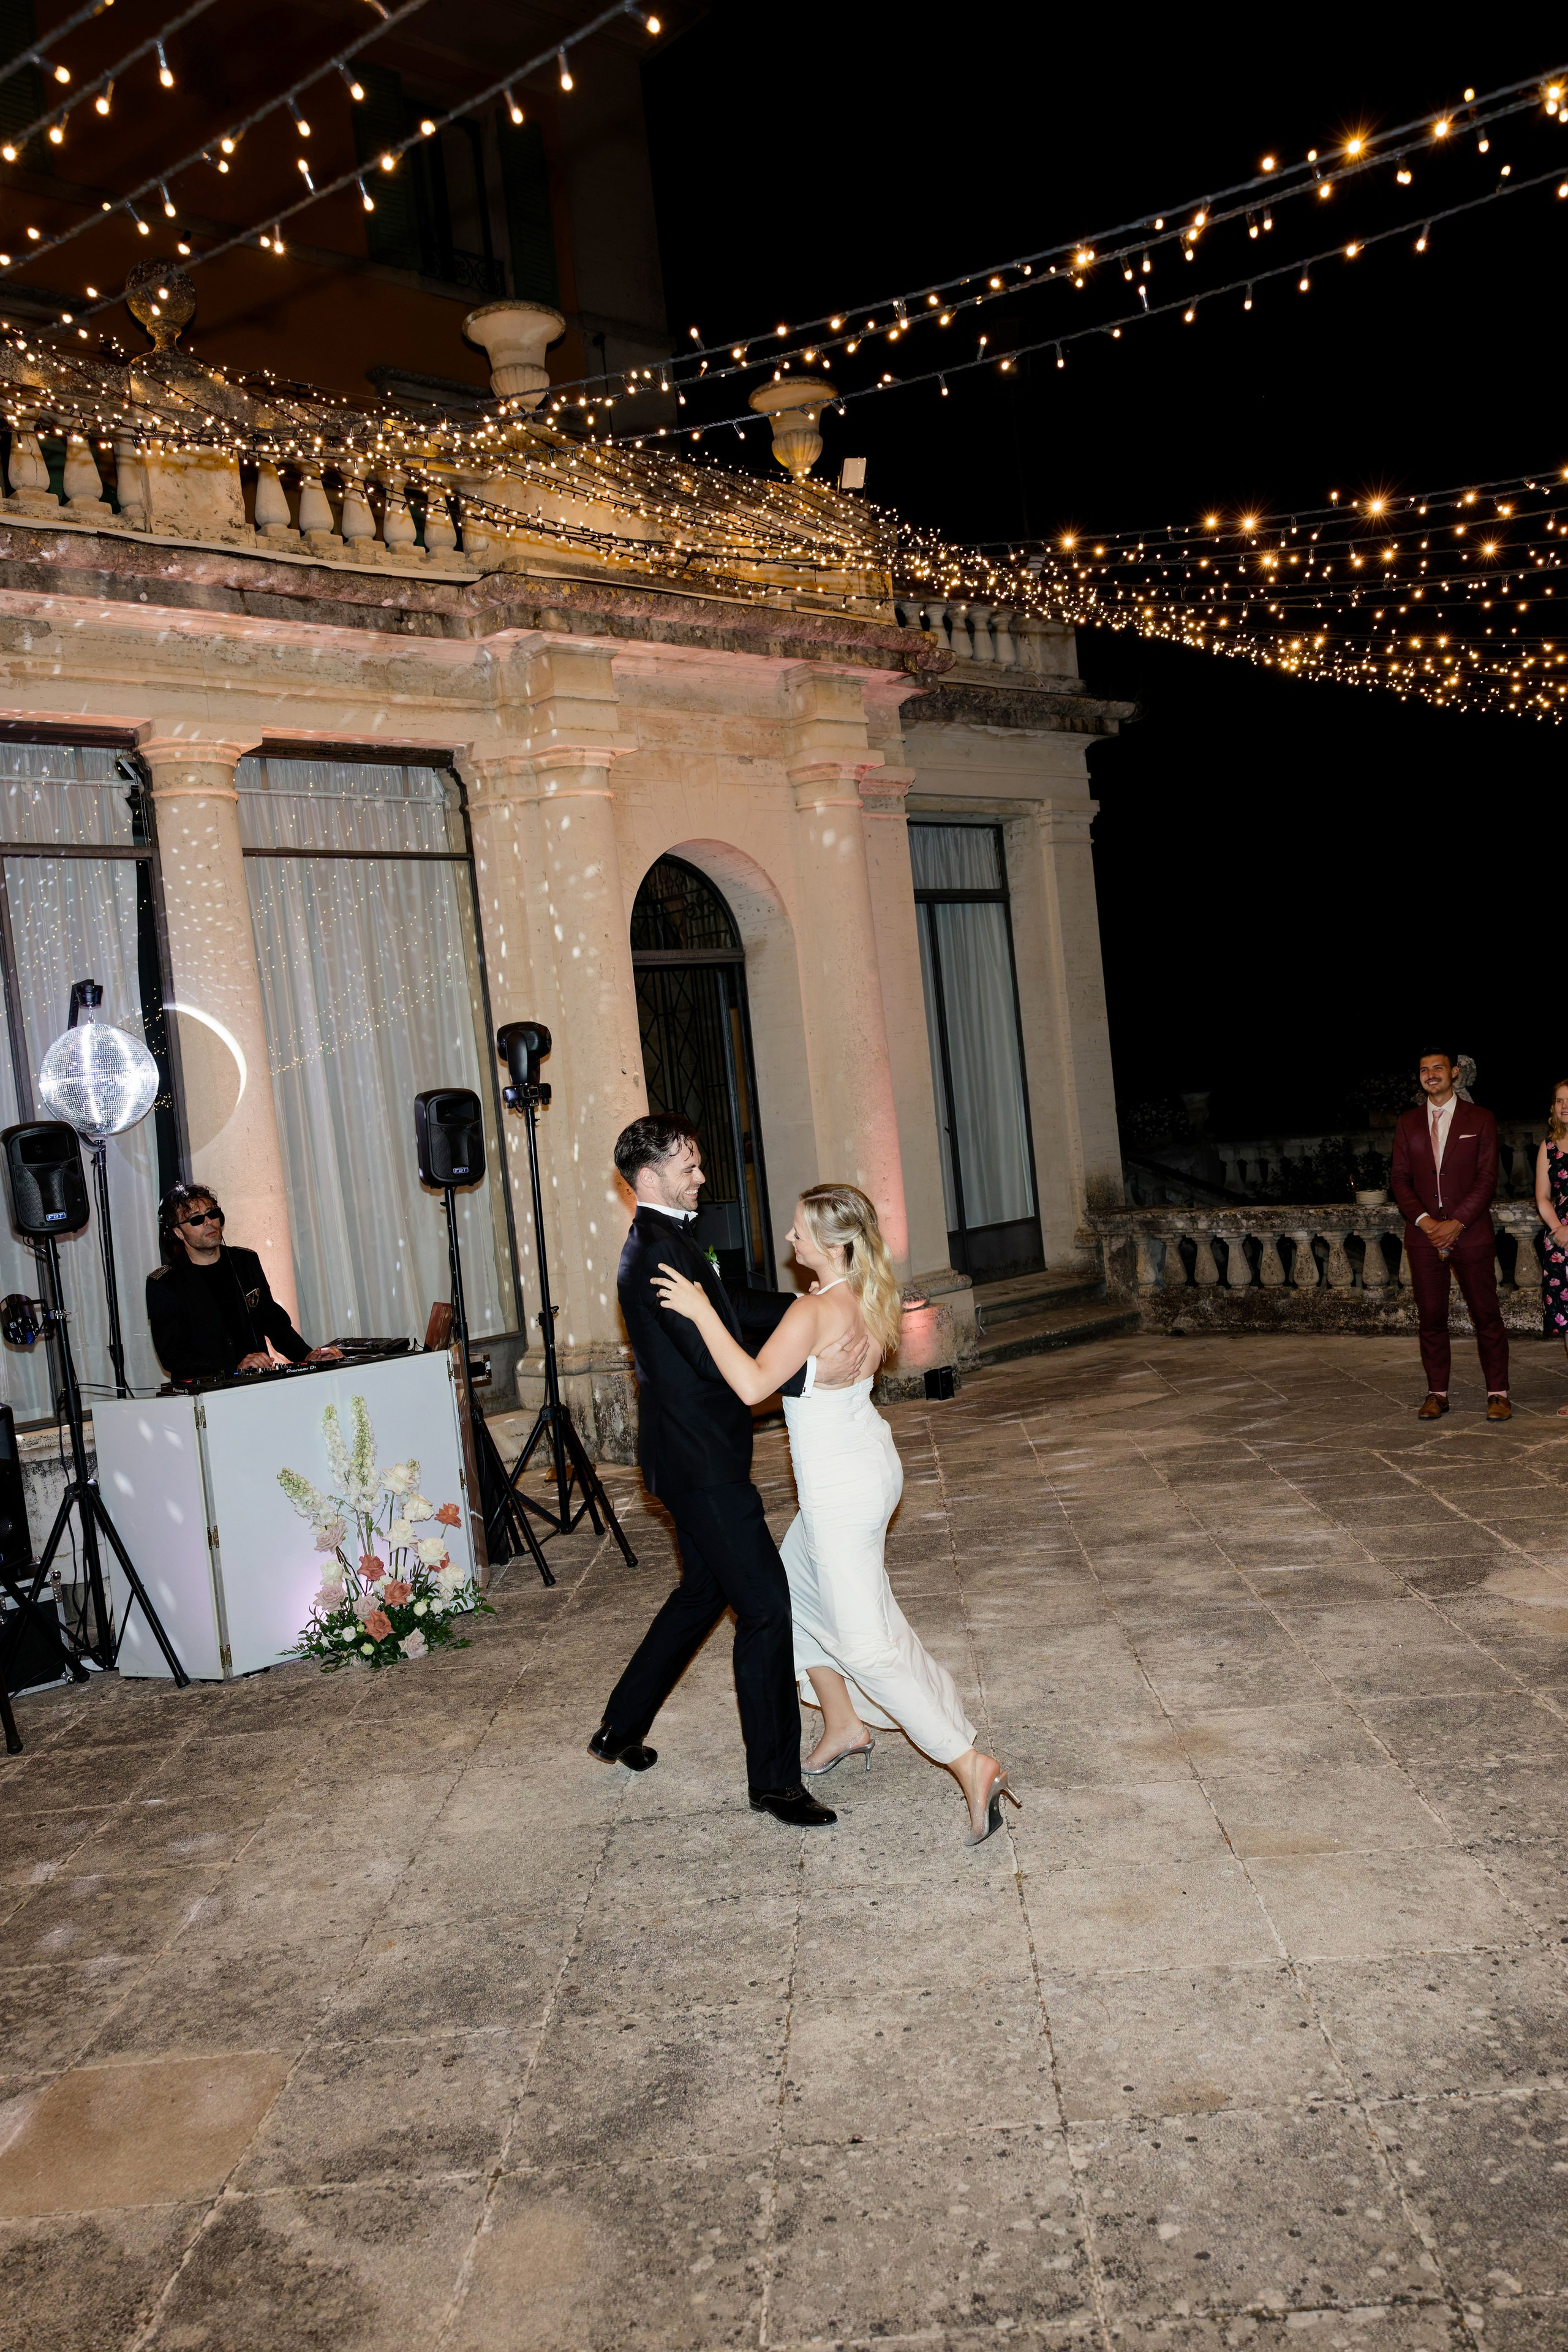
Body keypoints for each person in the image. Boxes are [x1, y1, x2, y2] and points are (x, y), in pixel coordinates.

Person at [652, 1182, 1017, 1849]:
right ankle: (844, 1723)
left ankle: (969, 1763)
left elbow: (753, 1386)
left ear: (831, 1243)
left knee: (867, 1645)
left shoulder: (810, 1314)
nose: (789, 1240)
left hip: (841, 1492)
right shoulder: (868, 1294)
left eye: (798, 1231)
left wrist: (702, 1310)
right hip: (870, 1468)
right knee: (785, 1598)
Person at [590, 1115, 868, 1829]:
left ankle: (620, 1728)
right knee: (768, 1610)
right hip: (702, 1465)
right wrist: (814, 1369)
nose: (702, 1177)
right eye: (688, 1168)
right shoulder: (653, 1254)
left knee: (699, 1595)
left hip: (691, 1458)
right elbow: (714, 1358)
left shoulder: (674, 1237)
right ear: (648, 1178)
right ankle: (774, 1783)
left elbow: (731, 1306)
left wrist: (825, 1310)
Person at [1390, 1050, 1510, 1422]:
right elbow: (1400, 1179)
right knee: (1431, 1317)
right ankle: (1437, 1394)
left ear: (1454, 1073)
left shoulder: (1481, 1119)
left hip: (1471, 1233)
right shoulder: (1408, 1123)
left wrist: (1457, 1222)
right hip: (1423, 1237)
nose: (1430, 1075)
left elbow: (1487, 1178)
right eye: (1424, 1070)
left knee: (1486, 1315)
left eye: (1437, 1068)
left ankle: (1498, 1394)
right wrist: (1426, 1222)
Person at [146, 1182, 341, 1385]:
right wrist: (233, 1366)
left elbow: (273, 1323)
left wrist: (307, 1355)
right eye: (196, 1219)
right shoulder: (164, 1283)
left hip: (259, 1386)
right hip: (208, 1393)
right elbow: (173, 1357)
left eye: (212, 1214)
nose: (209, 1222)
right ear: (178, 1233)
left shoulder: (245, 1261)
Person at [1534, 1077, 1568, 1415]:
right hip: (1561, 1242)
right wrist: (1558, 1228)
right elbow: (1542, 1197)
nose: (1564, 1106)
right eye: (1559, 1100)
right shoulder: (1549, 1146)